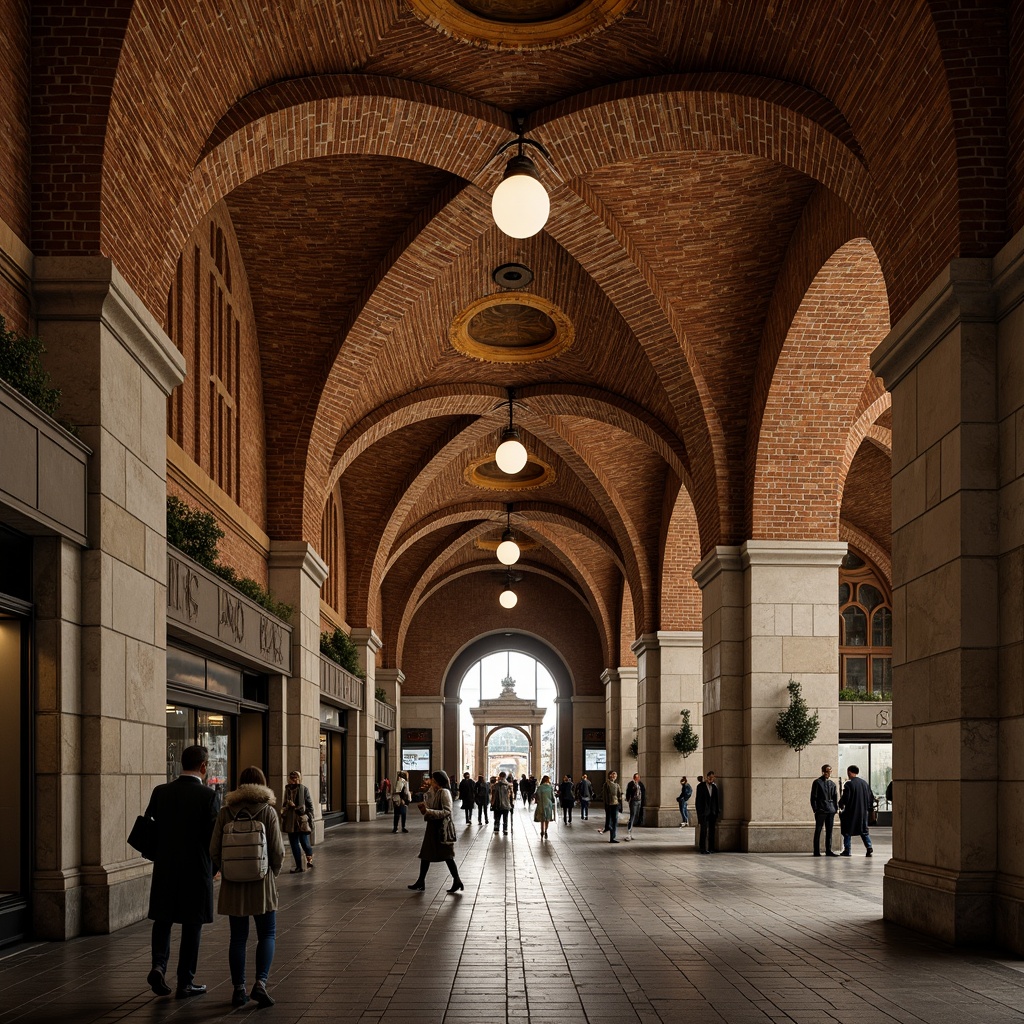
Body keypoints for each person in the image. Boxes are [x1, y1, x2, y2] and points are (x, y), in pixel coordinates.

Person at [144, 744, 221, 999]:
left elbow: (150, 827)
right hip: (196, 870)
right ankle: (185, 981)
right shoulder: (208, 797)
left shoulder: (161, 792)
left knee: (163, 919)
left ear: (180, 764)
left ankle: (158, 965)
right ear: (203, 767)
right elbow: (213, 838)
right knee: (192, 924)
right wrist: (216, 867)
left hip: (165, 867)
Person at [210, 766, 285, 1009]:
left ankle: (238, 989)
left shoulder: (225, 812)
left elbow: (213, 850)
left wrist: (227, 868)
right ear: (263, 784)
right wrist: (271, 873)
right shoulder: (268, 811)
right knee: (267, 934)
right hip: (262, 882)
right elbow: (277, 851)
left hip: (233, 884)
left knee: (238, 937)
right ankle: (260, 983)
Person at [407, 770, 464, 894]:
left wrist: (429, 812)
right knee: (426, 855)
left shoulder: (444, 792)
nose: (430, 781)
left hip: (441, 829)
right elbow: (430, 803)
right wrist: (425, 806)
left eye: (433, 779)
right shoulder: (434, 792)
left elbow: (447, 811)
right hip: (432, 827)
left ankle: (457, 880)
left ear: (437, 780)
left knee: (447, 856)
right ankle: (421, 881)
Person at [281, 770, 315, 872]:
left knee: (305, 842)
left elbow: (309, 806)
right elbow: (284, 804)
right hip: (291, 821)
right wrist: (285, 809)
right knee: (294, 844)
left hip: (301, 820)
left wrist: (310, 818)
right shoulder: (287, 789)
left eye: (295, 777)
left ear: (299, 778)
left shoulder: (303, 789)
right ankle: (299, 866)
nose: (293, 780)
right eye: (291, 778)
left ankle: (309, 860)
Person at [839, 765, 875, 857]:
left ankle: (847, 850)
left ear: (849, 772)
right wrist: (869, 809)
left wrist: (840, 805)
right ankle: (869, 847)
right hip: (863, 812)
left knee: (847, 831)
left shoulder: (849, 784)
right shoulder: (865, 783)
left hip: (851, 812)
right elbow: (871, 797)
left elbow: (846, 798)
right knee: (863, 831)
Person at [810, 764, 839, 856]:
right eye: (826, 771)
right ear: (822, 771)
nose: (827, 773)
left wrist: (835, 809)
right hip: (821, 810)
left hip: (830, 810)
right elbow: (813, 797)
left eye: (829, 771)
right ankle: (816, 851)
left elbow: (835, 798)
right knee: (818, 830)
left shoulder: (832, 784)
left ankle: (828, 850)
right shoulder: (817, 782)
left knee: (829, 831)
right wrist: (815, 809)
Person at [695, 770, 720, 853]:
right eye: (710, 777)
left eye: (712, 778)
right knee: (704, 831)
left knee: (712, 831)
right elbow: (698, 801)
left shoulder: (715, 787)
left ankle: (711, 848)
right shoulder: (700, 786)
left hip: (712, 813)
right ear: (707, 777)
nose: (711, 779)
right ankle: (702, 848)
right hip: (704, 813)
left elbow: (717, 801)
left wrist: (717, 811)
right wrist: (699, 813)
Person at [601, 770, 623, 843]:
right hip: (609, 805)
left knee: (615, 821)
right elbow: (605, 796)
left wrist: (620, 805)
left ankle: (612, 838)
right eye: (613, 774)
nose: (615, 776)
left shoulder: (617, 785)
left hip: (615, 805)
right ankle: (608, 829)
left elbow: (619, 796)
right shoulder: (606, 784)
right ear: (610, 775)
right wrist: (606, 805)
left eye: (615, 775)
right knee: (609, 821)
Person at [625, 772, 645, 840]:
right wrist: (628, 799)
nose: (637, 778)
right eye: (636, 777)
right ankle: (629, 832)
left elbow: (643, 792)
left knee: (636, 816)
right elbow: (628, 792)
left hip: (639, 801)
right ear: (634, 777)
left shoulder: (640, 784)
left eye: (638, 777)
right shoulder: (631, 784)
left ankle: (631, 832)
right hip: (633, 801)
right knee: (632, 816)